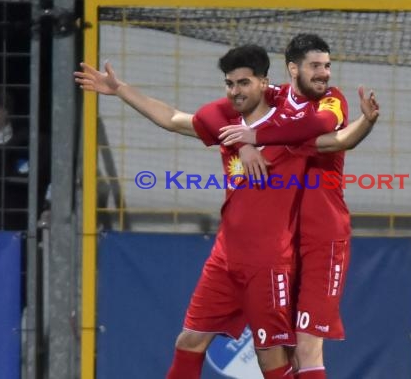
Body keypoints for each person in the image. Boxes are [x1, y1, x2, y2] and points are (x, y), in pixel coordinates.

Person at [74, 43, 378, 379]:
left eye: (243, 83)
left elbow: (336, 140)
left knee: (275, 357)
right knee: (189, 339)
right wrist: (120, 90)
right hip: (225, 258)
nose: (235, 91)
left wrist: (366, 121)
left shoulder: (290, 131)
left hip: (268, 263)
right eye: (230, 84)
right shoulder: (227, 127)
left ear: (264, 83)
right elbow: (174, 118)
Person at [217, 34, 380, 379]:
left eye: (327, 66)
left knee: (307, 347)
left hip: (323, 238)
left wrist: (365, 123)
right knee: (282, 351)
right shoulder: (273, 96)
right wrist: (244, 146)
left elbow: (325, 129)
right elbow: (220, 110)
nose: (324, 74)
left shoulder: (331, 102)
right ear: (293, 68)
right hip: (281, 243)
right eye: (316, 66)